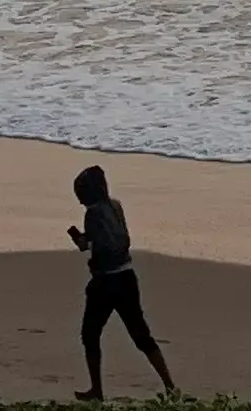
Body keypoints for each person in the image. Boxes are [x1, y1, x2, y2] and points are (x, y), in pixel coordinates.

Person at [68, 163, 176, 401]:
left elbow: (93, 246)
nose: (79, 200)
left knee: (90, 335)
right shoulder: (116, 206)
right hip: (127, 276)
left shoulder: (92, 214)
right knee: (141, 335)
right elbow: (116, 239)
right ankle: (170, 386)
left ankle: (97, 390)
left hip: (106, 282)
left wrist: (80, 240)